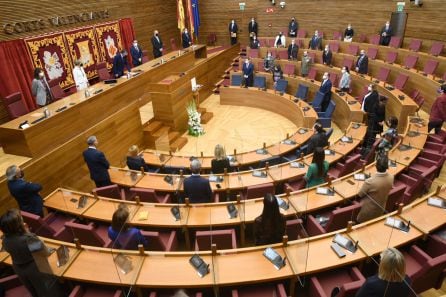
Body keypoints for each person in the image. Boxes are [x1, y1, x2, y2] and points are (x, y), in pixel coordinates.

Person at [0, 209, 65, 297]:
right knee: (48, 291)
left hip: (19, 269)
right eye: (21, 219)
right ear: (17, 225)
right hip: (36, 269)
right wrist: (50, 249)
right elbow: (44, 253)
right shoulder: (29, 238)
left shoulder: (5, 240)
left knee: (33, 290)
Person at [356, 155, 394, 223]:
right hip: (381, 209)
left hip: (367, 212)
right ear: (387, 166)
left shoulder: (369, 182)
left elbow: (360, 195)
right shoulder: (391, 177)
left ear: (376, 166)